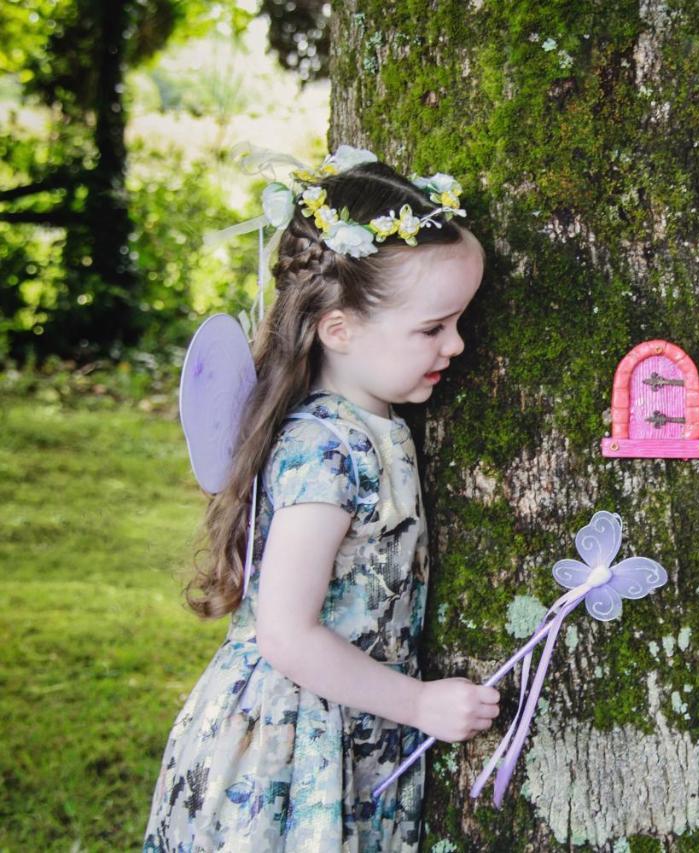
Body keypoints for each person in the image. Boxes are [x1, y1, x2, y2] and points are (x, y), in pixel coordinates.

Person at [145, 153, 498, 850]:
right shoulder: (326, 450)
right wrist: (420, 702)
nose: (457, 344)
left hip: (343, 724)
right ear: (339, 330)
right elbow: (286, 633)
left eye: (459, 321)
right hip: (291, 744)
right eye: (433, 328)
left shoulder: (371, 422)